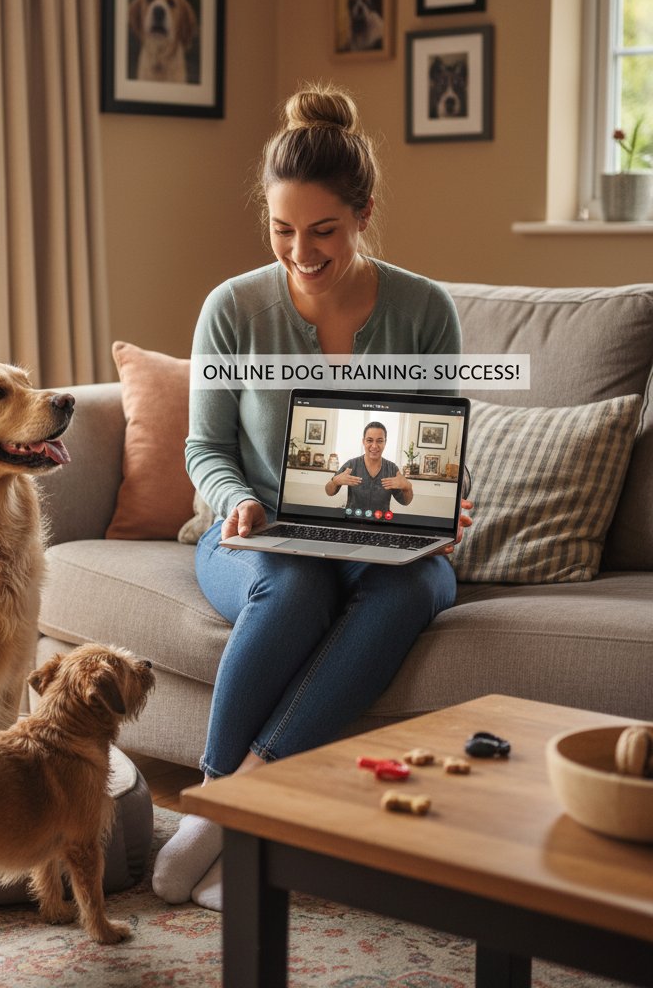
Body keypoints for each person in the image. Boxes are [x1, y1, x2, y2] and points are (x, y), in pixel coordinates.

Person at [151, 82, 472, 911]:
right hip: (257, 531)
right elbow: (205, 448)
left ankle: (233, 810)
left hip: (378, 540)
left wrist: (441, 505)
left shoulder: (425, 311)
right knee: (294, 587)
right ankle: (220, 808)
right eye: (282, 229)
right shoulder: (232, 309)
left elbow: (437, 449)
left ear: (363, 213)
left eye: (323, 230)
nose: (301, 251)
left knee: (412, 586)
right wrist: (235, 501)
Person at [325, 421, 413, 513]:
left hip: (381, 520)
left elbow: (405, 502)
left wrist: (407, 487)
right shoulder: (351, 465)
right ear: (363, 441)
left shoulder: (392, 469)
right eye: (370, 440)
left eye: (379, 441)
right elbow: (329, 492)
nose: (374, 446)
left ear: (385, 442)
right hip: (353, 519)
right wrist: (335, 482)